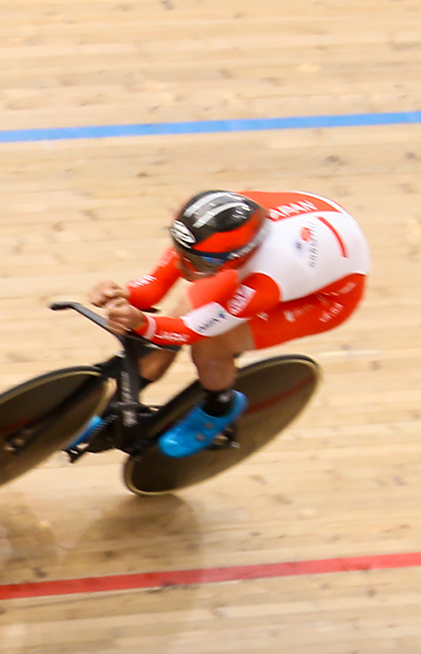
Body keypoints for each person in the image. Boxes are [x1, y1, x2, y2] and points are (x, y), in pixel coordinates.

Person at [90, 189, 369, 457]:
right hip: (295, 251)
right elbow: (155, 285)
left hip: (324, 299)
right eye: (184, 255)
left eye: (197, 263)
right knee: (169, 323)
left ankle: (218, 407)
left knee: (211, 347)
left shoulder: (266, 279)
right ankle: (113, 411)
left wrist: (140, 322)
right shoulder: (213, 222)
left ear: (237, 256)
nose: (187, 269)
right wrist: (126, 294)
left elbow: (192, 330)